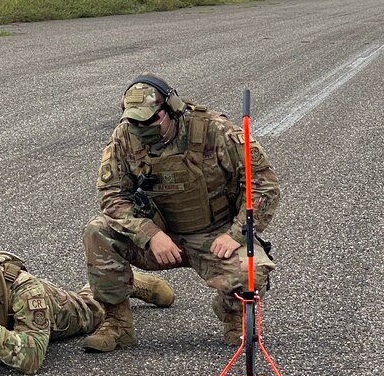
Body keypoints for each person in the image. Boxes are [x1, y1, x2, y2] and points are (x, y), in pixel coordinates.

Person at [82, 74, 280, 352]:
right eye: (134, 121)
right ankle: (117, 323)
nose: (141, 128)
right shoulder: (125, 137)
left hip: (215, 235)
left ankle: (233, 312)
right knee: (97, 231)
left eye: (150, 121)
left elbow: (263, 185)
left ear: (172, 108)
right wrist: (149, 234)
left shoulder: (214, 130)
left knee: (252, 271)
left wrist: (237, 234)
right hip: (159, 236)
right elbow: (112, 195)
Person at [0, 232, 175, 375]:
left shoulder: (25, 288)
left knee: (91, 309)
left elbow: (32, 361)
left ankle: (126, 283)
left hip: (54, 310)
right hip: (5, 329)